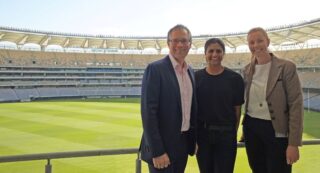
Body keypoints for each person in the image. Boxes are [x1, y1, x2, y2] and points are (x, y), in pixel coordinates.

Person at [242, 27, 304, 173]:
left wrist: (293, 143)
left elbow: (296, 104)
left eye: (259, 41)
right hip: (252, 128)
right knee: (257, 169)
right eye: (251, 42)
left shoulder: (286, 67)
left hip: (277, 130)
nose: (256, 45)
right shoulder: (246, 70)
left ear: (268, 41)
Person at [139, 24, 197, 173]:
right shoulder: (155, 69)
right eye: (175, 40)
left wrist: (193, 140)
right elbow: (148, 113)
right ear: (168, 43)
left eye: (184, 41)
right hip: (162, 149)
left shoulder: (190, 71)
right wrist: (157, 151)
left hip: (183, 145)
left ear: (190, 44)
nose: (180, 45)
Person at [195, 38, 244, 173]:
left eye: (218, 51)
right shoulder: (195, 78)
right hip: (203, 136)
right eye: (211, 51)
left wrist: (231, 133)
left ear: (223, 53)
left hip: (226, 135)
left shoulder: (235, 79)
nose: (214, 54)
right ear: (205, 54)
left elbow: (237, 111)